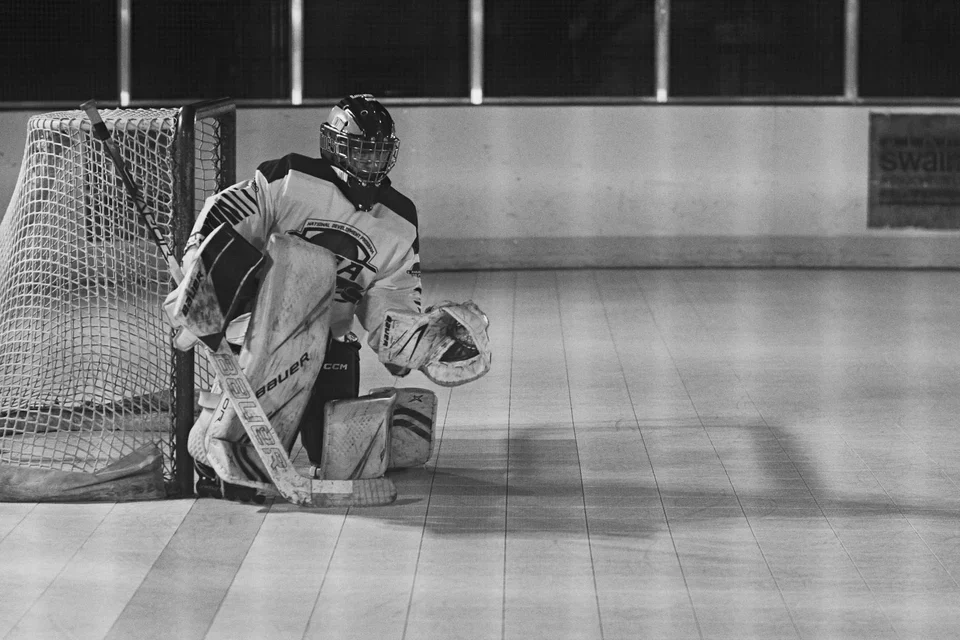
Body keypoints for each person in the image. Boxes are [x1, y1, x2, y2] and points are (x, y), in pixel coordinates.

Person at [175, 94, 424, 502]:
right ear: (333, 146)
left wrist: (410, 344)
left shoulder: (399, 219)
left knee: (345, 458)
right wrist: (198, 276)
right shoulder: (289, 178)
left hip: (330, 344)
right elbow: (223, 218)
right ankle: (214, 441)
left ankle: (398, 421)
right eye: (360, 151)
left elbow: (393, 298)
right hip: (263, 335)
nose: (369, 163)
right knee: (241, 459)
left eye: (378, 153)